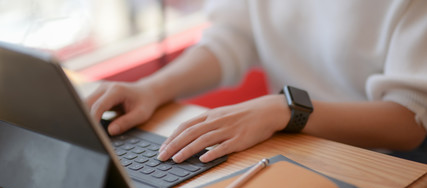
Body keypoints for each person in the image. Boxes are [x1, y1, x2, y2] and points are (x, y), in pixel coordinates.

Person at [86, 0, 427, 164]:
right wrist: (151, 88)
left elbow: (411, 120)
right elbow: (233, 38)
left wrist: (285, 110)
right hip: (295, 141)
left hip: (390, 160)